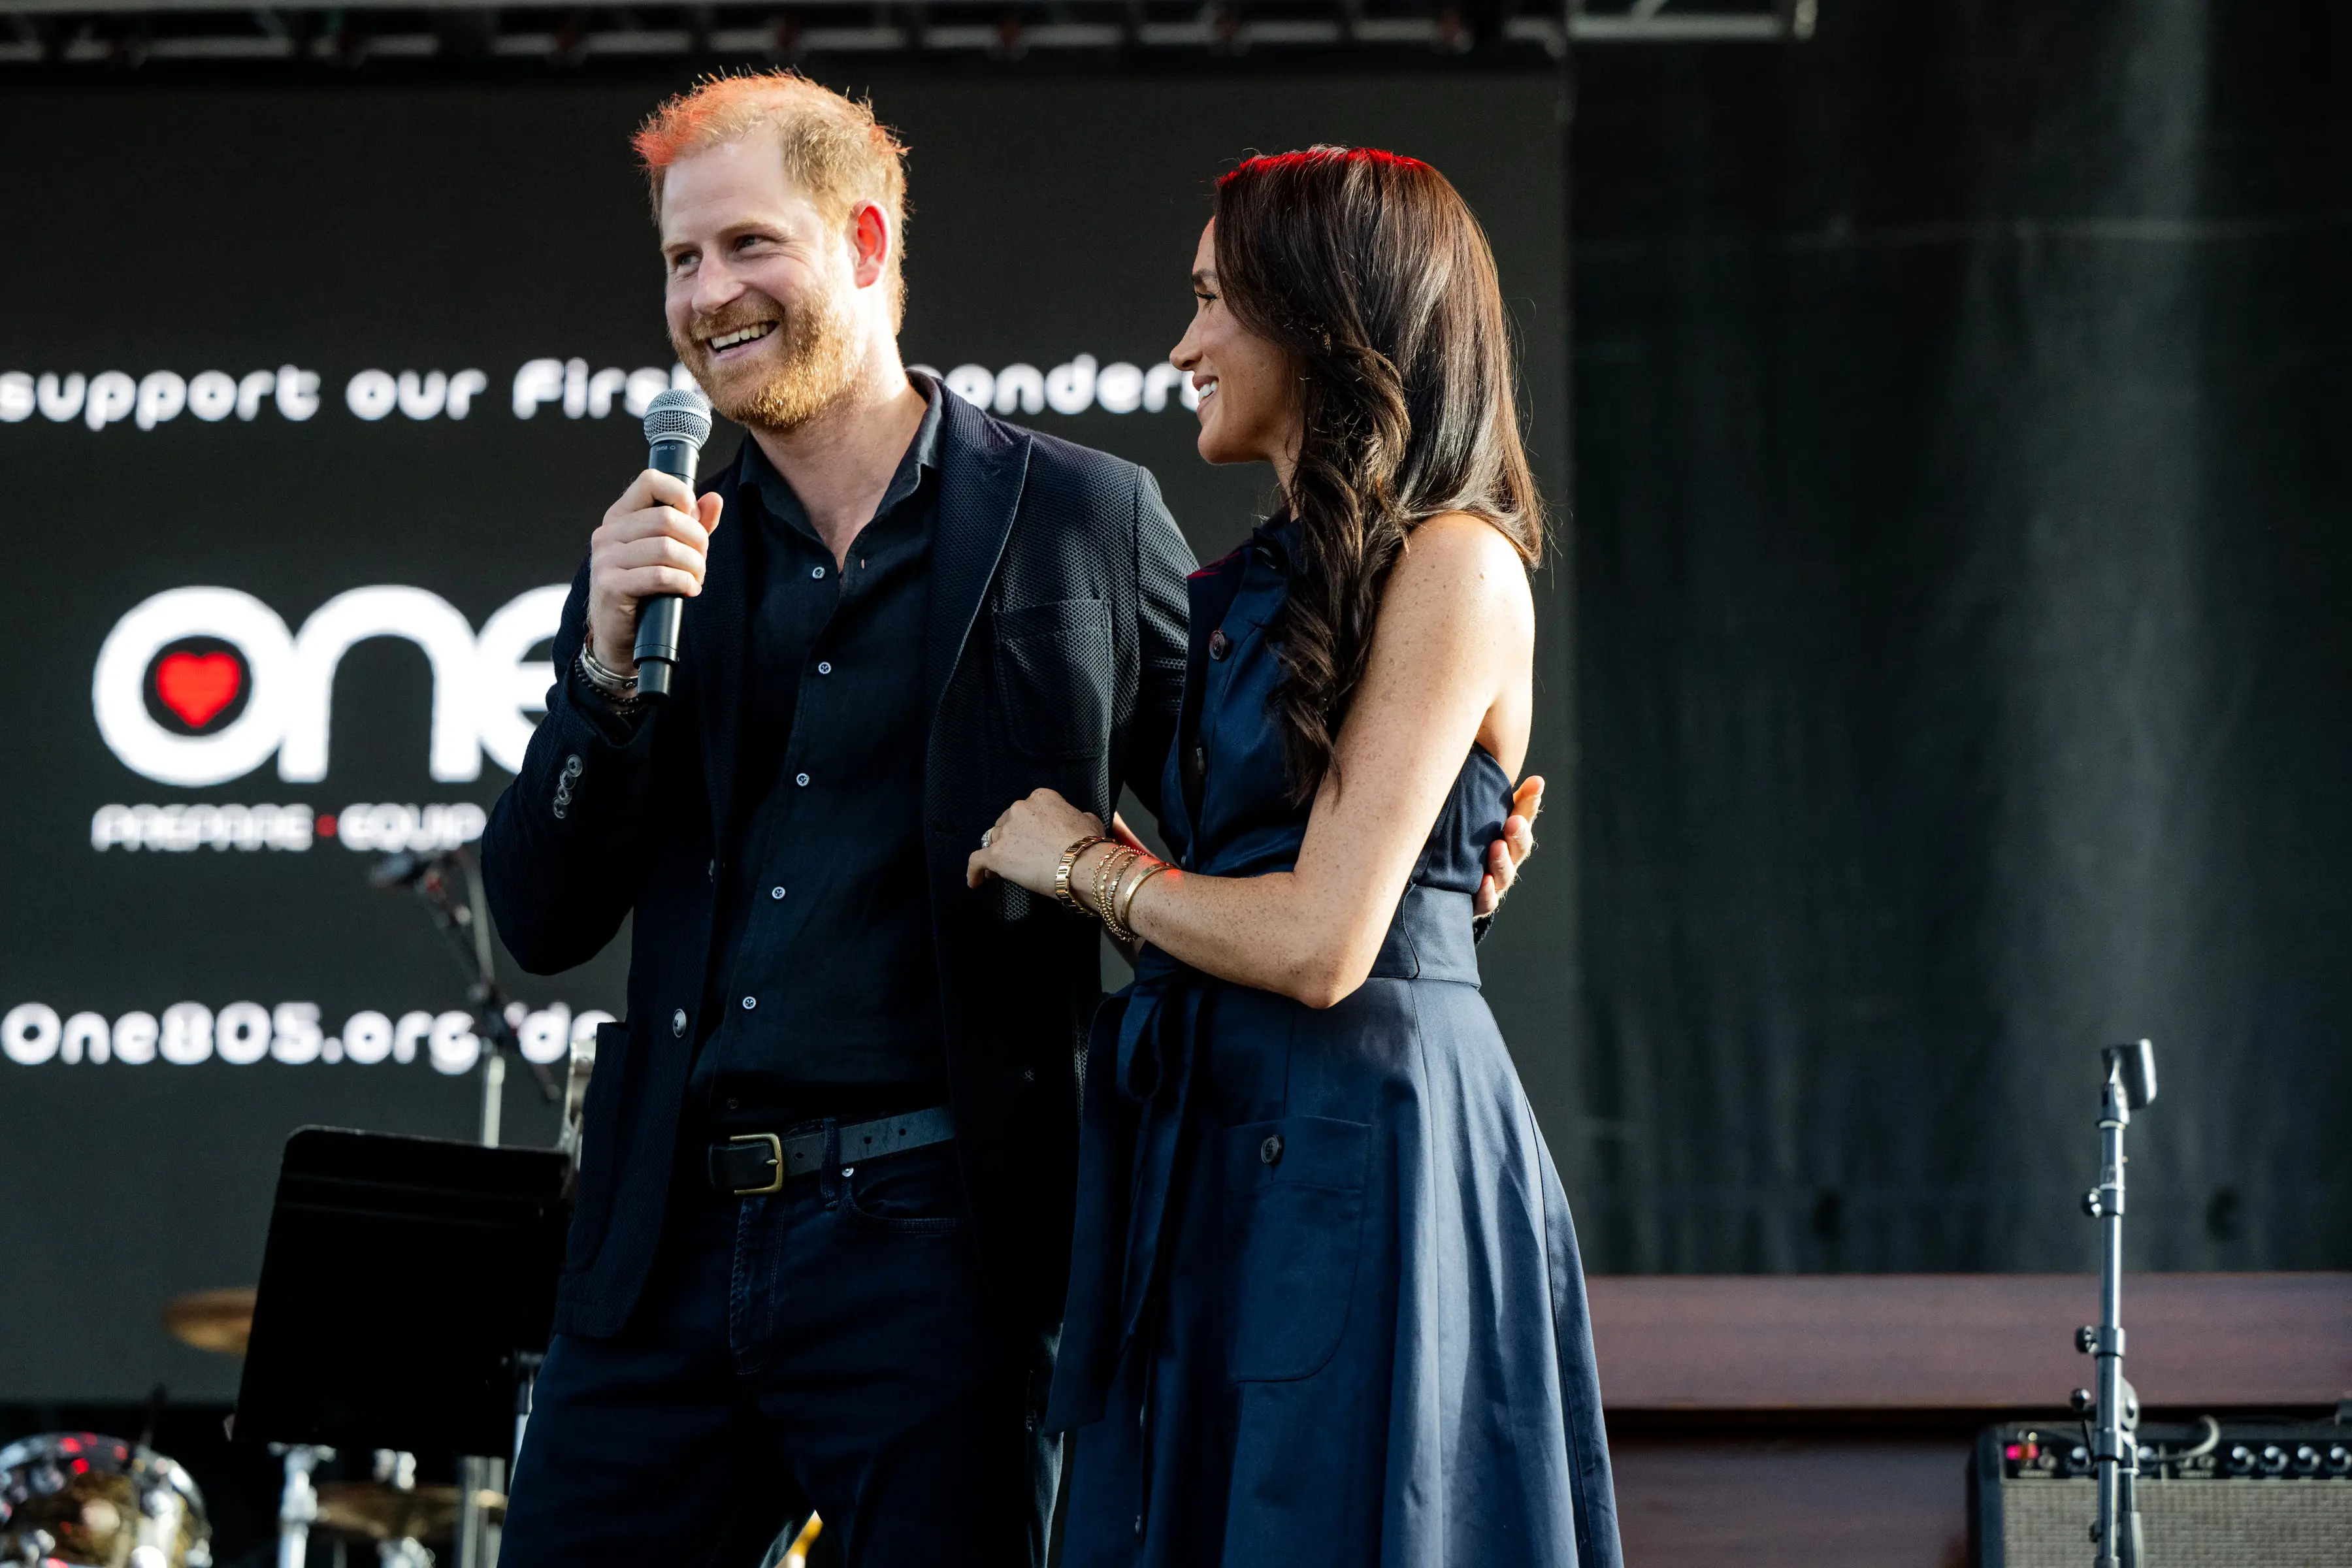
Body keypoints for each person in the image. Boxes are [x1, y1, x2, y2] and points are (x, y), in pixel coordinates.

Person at [481, 78, 1543, 1567]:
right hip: (665, 1255)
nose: (705, 296)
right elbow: (538, 916)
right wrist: (601, 668)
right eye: (678, 261)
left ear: (862, 242)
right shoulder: (658, 558)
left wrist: (1449, 862)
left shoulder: (1079, 520)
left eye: (744, 247)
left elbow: (1264, 823)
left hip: (938, 1258)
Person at [967, 148, 1620, 1566]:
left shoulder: (1456, 559)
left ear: (1323, 318)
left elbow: (1325, 944)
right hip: (1227, 1146)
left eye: (1213, 302)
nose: (1183, 345)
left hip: (1366, 1159)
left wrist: (1087, 867)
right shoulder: (1248, 588)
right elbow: (1284, 907)